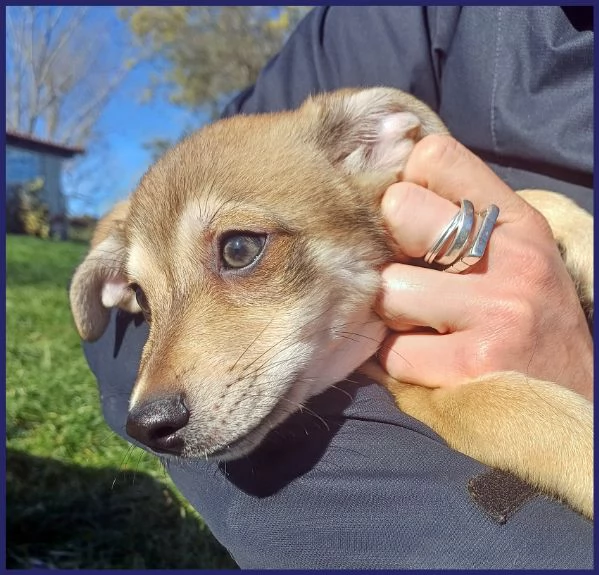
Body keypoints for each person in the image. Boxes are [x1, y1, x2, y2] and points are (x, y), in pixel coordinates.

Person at [83, 6, 593, 568]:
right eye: (148, 297)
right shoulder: (397, 22)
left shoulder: (342, 163)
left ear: (370, 148)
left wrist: (540, 216)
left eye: (239, 250)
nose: (150, 402)